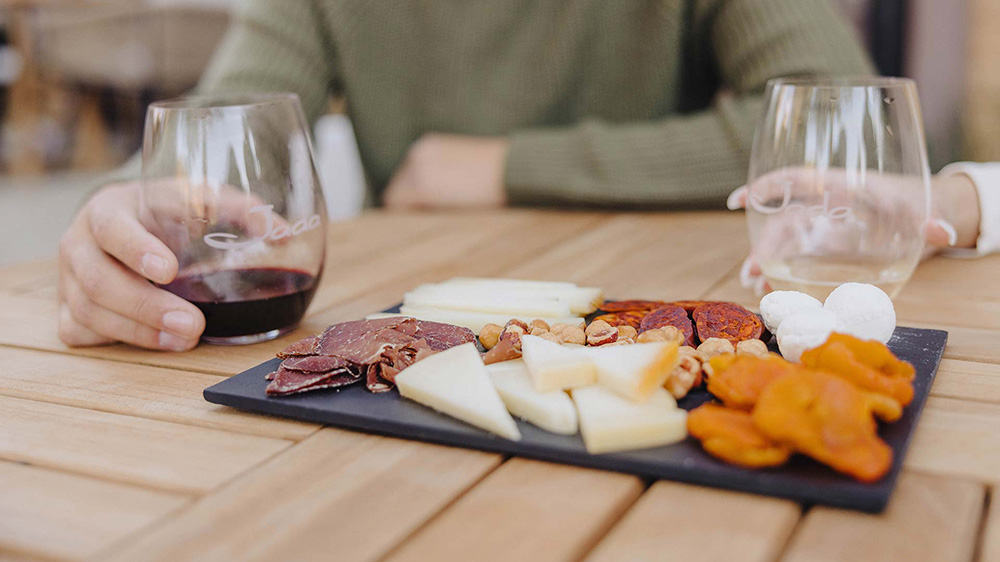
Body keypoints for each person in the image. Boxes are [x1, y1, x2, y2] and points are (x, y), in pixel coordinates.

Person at [56, 0, 985, 351]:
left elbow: (848, 121)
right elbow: (199, 164)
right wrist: (130, 222)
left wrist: (507, 166)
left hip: (674, 317)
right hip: (437, 350)